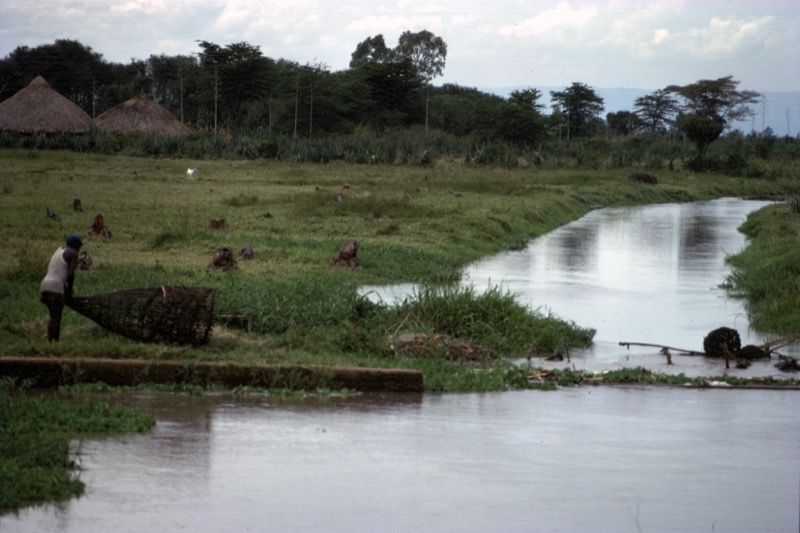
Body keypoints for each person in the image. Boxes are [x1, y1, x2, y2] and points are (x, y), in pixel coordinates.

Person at [40, 235, 82, 341]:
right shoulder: (73, 253)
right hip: (56, 287)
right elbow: (71, 274)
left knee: (53, 315)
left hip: (45, 285)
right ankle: (54, 342)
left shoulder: (58, 252)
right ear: (76, 246)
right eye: (79, 246)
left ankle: (51, 340)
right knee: (56, 317)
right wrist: (70, 289)